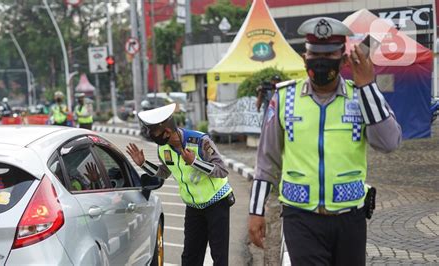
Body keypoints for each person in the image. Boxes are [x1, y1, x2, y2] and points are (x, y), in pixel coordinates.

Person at [247, 17, 402, 265]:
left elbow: (389, 142)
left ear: (343, 60)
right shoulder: (284, 98)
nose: (320, 62)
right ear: (303, 57)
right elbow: (266, 160)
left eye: (329, 55)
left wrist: (367, 87)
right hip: (301, 217)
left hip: (350, 219)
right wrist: (256, 211)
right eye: (314, 54)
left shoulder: (360, 97)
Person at [126, 103, 234, 266]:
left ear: (167, 131)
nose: (152, 137)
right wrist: (143, 164)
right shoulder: (163, 149)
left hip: (216, 203)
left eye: (154, 133)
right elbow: (165, 172)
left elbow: (222, 170)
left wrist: (194, 162)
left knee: (219, 256)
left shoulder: (199, 141)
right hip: (193, 207)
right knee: (190, 257)